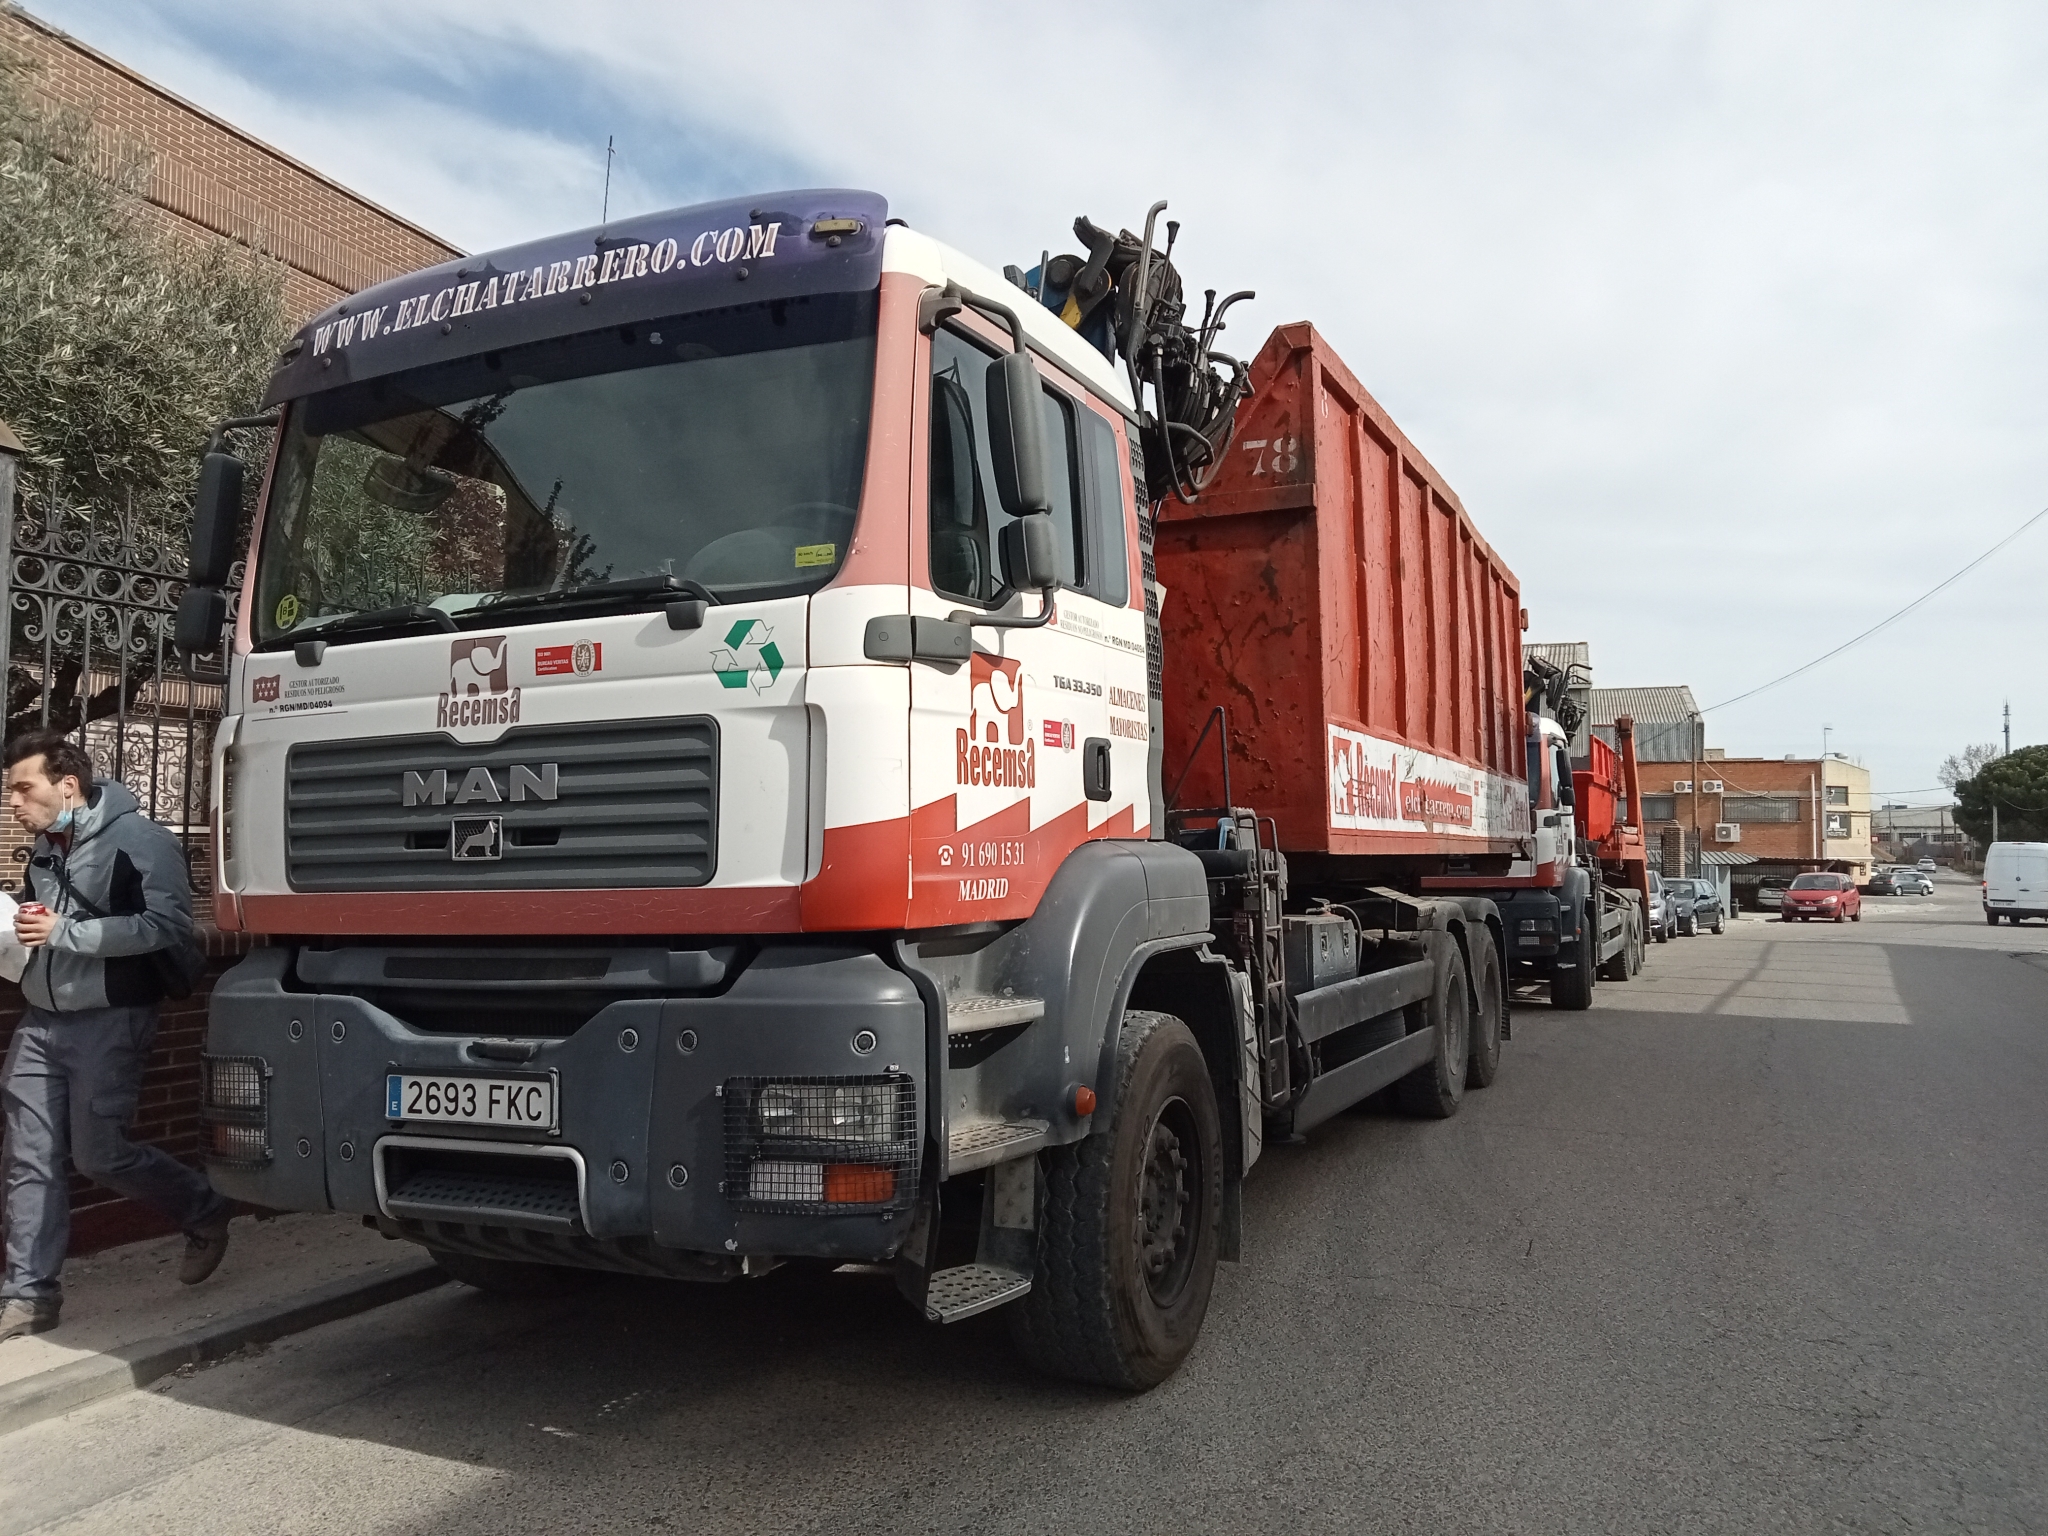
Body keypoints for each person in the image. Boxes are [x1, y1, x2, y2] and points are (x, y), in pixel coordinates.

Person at [0, 729, 231, 1342]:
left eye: (24, 789)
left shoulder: (140, 840)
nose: (14, 803)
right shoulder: (44, 847)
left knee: (99, 1156)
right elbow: (40, 921)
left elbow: (166, 926)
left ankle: (202, 1208)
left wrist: (63, 934)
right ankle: (28, 1295)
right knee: (29, 1160)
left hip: (111, 1019)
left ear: (67, 785)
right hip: (40, 1020)